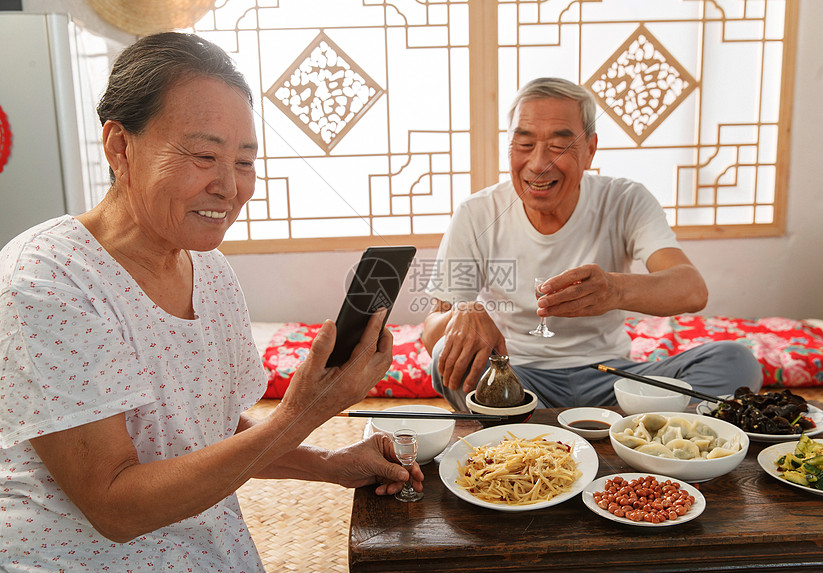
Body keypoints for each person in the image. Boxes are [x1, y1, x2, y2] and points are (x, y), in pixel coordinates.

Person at [0, 32, 422, 571]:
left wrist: (331, 464)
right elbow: (114, 507)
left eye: (245, 162)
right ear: (120, 147)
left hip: (213, 551)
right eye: (204, 155)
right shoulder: (47, 280)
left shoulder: (209, 268)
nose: (229, 186)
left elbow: (206, 429)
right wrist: (303, 413)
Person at [422, 77, 762, 411]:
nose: (539, 164)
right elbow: (431, 332)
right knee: (446, 358)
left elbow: (691, 290)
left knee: (736, 362)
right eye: (524, 144)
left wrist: (615, 290)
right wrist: (463, 312)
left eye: (558, 145)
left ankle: (537, 431)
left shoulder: (625, 200)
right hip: (516, 379)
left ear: (590, 150)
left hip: (614, 378)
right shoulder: (477, 213)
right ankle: (631, 430)